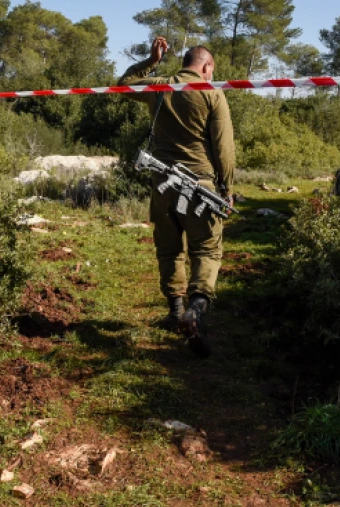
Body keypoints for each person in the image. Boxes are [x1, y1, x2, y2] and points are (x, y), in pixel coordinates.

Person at [119, 37, 236, 357]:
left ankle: (175, 310)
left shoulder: (159, 87)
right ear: (207, 67)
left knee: (168, 250)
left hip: (162, 187)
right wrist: (226, 189)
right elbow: (224, 148)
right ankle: (195, 311)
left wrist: (151, 60)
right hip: (200, 186)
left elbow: (123, 85)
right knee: (207, 250)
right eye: (212, 70)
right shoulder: (211, 93)